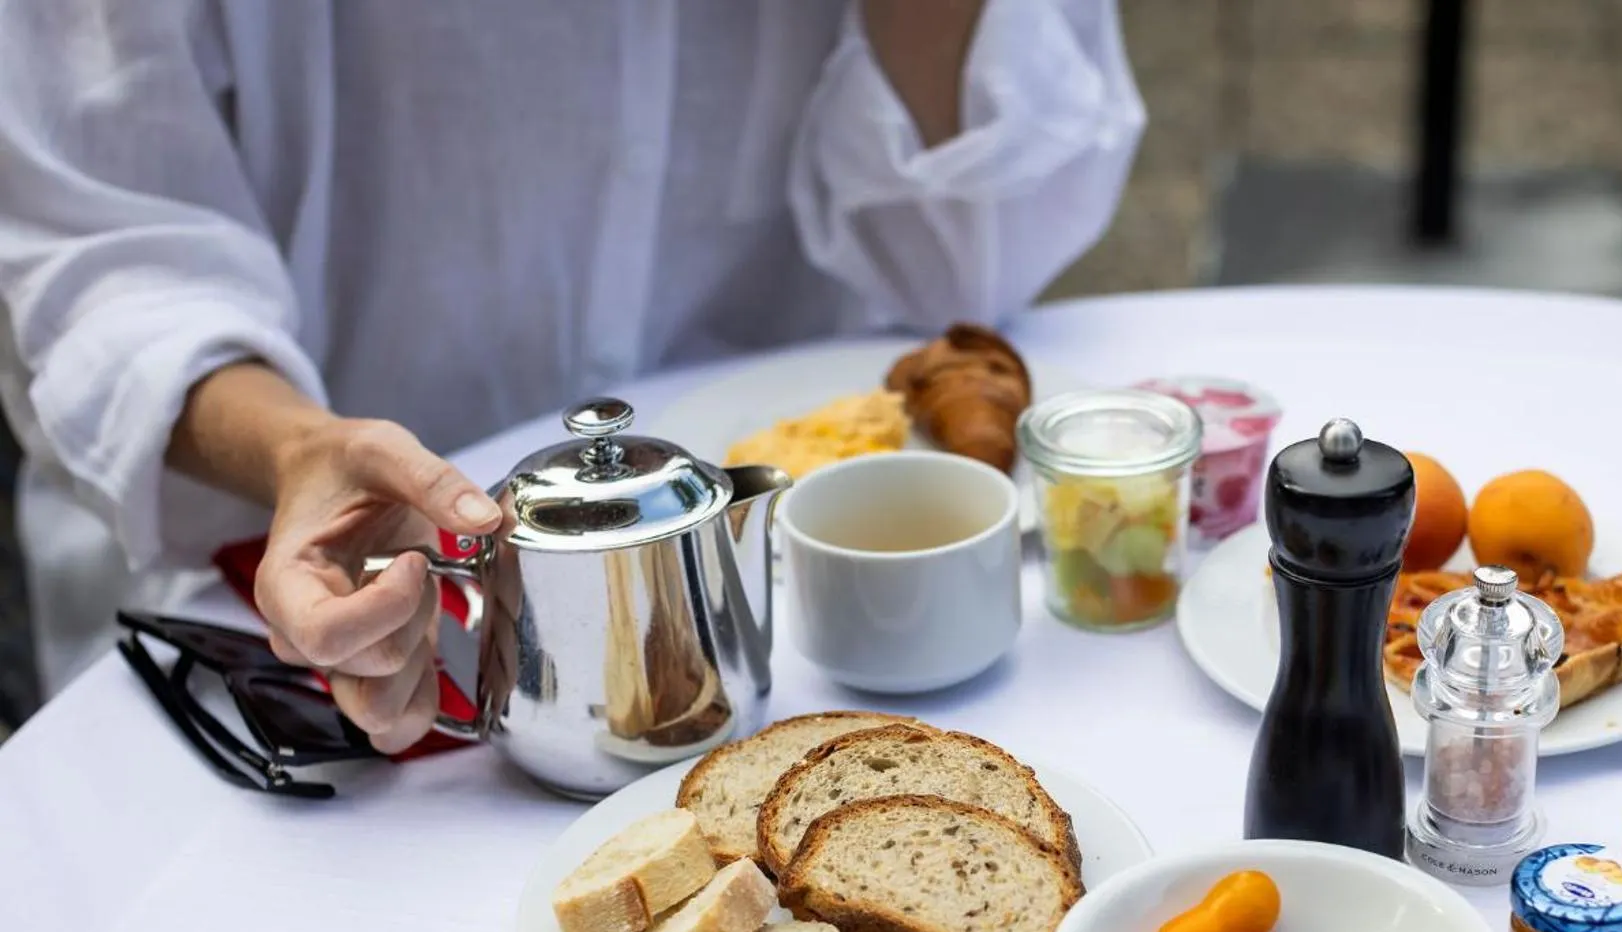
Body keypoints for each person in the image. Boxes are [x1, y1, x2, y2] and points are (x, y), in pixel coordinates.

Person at [0, 0, 1143, 752]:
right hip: (296, 601)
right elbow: (105, 254)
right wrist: (297, 450)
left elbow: (975, 261)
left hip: (800, 619)